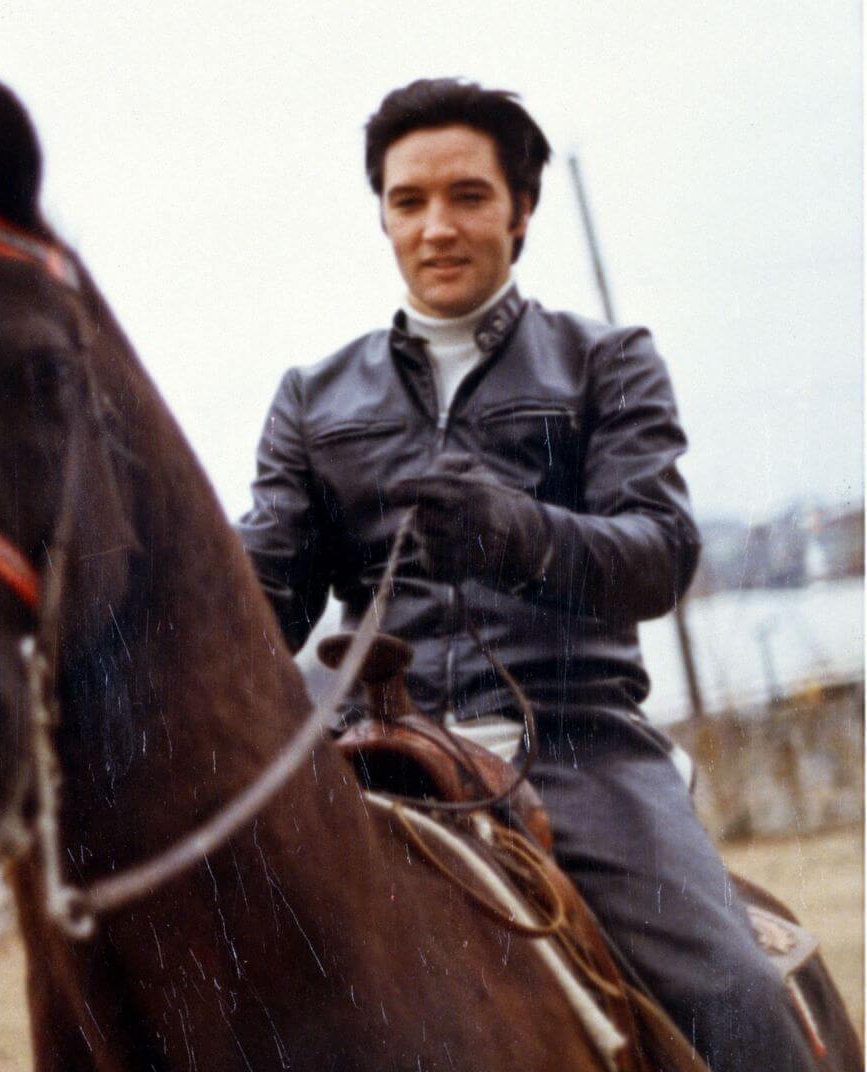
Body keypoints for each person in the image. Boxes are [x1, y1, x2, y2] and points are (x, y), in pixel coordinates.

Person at [237, 78, 818, 1072]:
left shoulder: (608, 364)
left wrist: (520, 533)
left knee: (738, 993)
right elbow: (267, 605)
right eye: (408, 201)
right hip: (365, 750)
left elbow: (662, 553)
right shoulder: (310, 399)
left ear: (523, 209)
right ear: (381, 214)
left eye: (467, 195)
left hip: (577, 749)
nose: (437, 227)